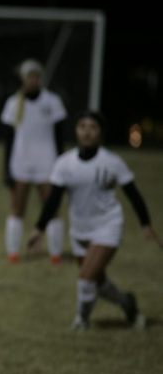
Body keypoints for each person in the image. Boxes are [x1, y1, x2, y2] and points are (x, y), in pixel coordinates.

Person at [27, 110, 161, 330]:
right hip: (80, 229)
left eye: (93, 128)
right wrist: (38, 228)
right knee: (97, 281)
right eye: (82, 127)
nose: (87, 132)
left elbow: (133, 193)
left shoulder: (112, 162)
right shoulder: (64, 163)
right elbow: (53, 200)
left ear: (100, 133)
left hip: (107, 226)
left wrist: (145, 223)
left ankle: (82, 320)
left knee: (85, 278)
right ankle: (126, 302)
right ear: (76, 131)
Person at [1, 59, 67, 264]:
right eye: (29, 76)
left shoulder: (52, 101)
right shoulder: (13, 103)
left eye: (36, 76)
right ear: (22, 79)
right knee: (17, 208)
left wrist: (60, 163)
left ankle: (55, 254)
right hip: (20, 161)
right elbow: (8, 139)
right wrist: (6, 168)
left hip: (47, 162)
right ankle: (13, 252)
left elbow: (59, 136)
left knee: (51, 207)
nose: (33, 80)